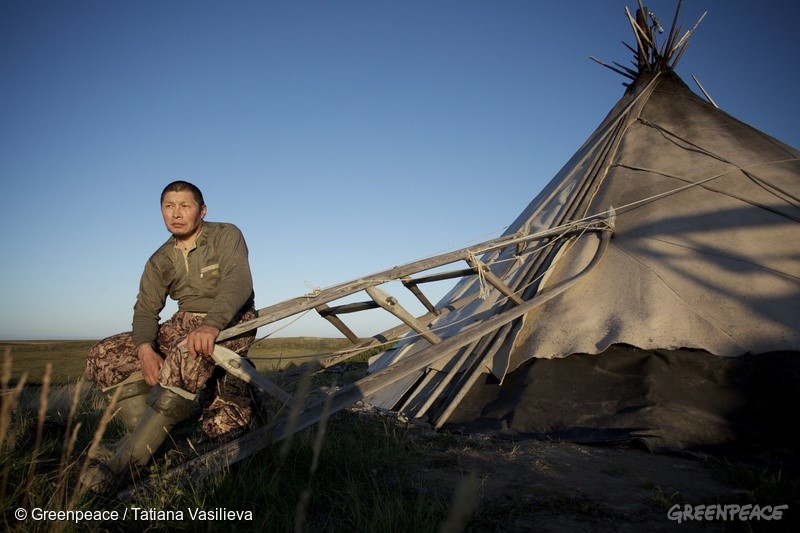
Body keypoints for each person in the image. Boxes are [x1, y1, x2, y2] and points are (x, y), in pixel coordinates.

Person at [80, 180, 258, 493]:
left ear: (201, 210)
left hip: (232, 318)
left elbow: (238, 282)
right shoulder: (159, 259)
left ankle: (123, 467)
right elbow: (146, 310)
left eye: (184, 206)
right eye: (168, 206)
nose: (175, 214)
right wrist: (145, 349)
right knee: (104, 354)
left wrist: (212, 324)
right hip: (183, 320)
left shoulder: (225, 234)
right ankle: (143, 443)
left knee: (187, 353)